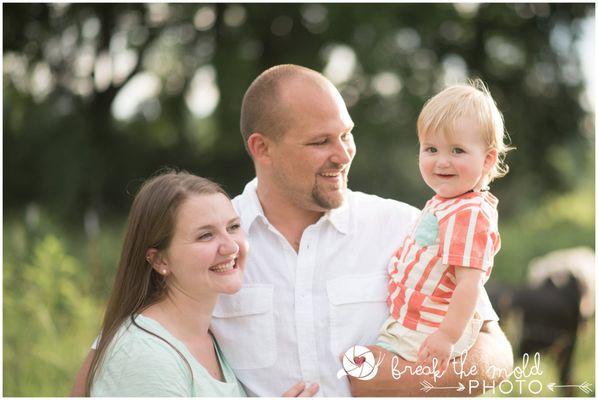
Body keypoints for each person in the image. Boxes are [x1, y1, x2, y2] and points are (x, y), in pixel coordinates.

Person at [71, 65, 513, 397]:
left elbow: (496, 355)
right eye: (321, 142)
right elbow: (109, 365)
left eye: (347, 135)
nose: (343, 155)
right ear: (261, 148)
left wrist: (403, 379)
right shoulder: (216, 248)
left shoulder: (411, 226)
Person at [82, 170, 318, 397]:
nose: (231, 247)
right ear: (159, 260)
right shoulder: (144, 355)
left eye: (233, 227)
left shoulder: (208, 338)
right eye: (205, 235)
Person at [376, 81, 513, 374]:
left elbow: (469, 285)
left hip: (430, 329)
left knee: (368, 370)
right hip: (416, 319)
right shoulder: (450, 201)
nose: (442, 162)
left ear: (487, 158)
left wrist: (446, 337)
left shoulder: (469, 213)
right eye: (431, 149)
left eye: (457, 151)